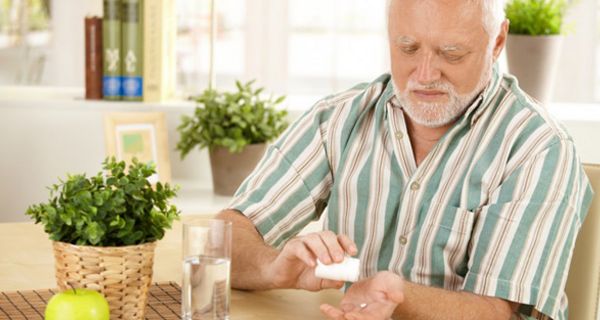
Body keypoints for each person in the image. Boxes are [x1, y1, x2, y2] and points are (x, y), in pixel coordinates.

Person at [217, 0, 593, 319]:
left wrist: (399, 296)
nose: (425, 75)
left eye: (452, 53)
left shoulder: (539, 148)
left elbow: (502, 312)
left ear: (497, 42)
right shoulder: (338, 119)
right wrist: (272, 267)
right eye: (408, 48)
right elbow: (224, 237)